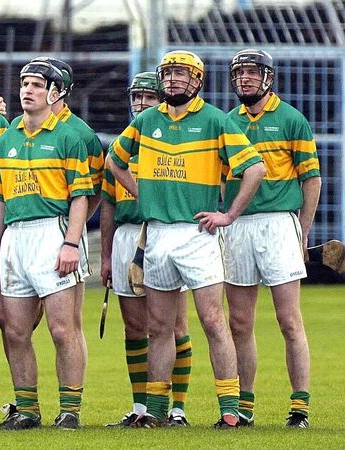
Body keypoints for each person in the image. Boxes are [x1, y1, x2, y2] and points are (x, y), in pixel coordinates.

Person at [107, 50, 266, 428]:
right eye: (168, 73)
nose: (173, 79)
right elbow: (114, 160)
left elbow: (256, 169)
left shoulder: (215, 120)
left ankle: (230, 411)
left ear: (197, 80)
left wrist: (228, 215)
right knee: (159, 327)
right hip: (158, 235)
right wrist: (143, 194)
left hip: (198, 235)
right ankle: (156, 412)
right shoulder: (146, 121)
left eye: (181, 73)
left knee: (213, 321)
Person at [0, 59, 94, 431]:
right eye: (24, 84)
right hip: (16, 237)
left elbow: (80, 197)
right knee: (14, 330)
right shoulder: (7, 138)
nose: (27, 90)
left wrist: (71, 244)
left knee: (63, 329)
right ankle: (28, 411)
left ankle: (70, 411)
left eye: (36, 84)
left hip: (53, 233)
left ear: (55, 92)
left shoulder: (68, 136)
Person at [224, 48, 321, 428]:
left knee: (289, 320)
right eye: (239, 73)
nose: (245, 79)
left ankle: (299, 408)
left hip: (279, 224)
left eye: (252, 72)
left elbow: (311, 179)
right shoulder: (227, 121)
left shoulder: (292, 119)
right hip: (238, 226)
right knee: (239, 323)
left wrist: (303, 231)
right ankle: (244, 408)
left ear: (268, 77)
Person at [100, 72, 193, 427]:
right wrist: (106, 256)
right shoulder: (121, 144)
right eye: (136, 97)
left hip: (162, 232)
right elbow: (108, 204)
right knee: (134, 327)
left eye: (149, 97)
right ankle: (140, 408)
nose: (141, 103)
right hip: (126, 235)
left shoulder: (173, 139)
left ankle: (176, 409)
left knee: (173, 326)